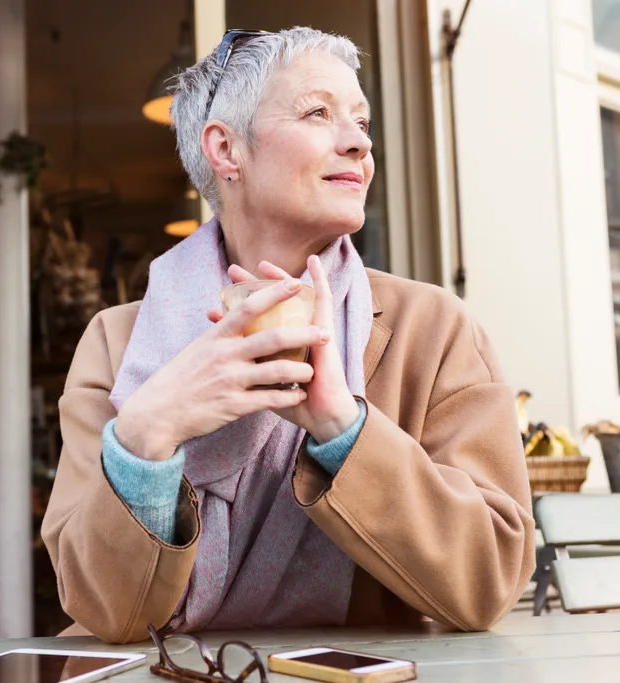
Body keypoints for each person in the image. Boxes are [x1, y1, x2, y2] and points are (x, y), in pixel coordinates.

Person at [42, 26, 535, 644]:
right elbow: (102, 610)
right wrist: (146, 435)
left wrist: (343, 429)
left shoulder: (432, 330)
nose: (358, 143)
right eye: (318, 113)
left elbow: (488, 583)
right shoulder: (119, 344)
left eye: (363, 121)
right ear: (227, 152)